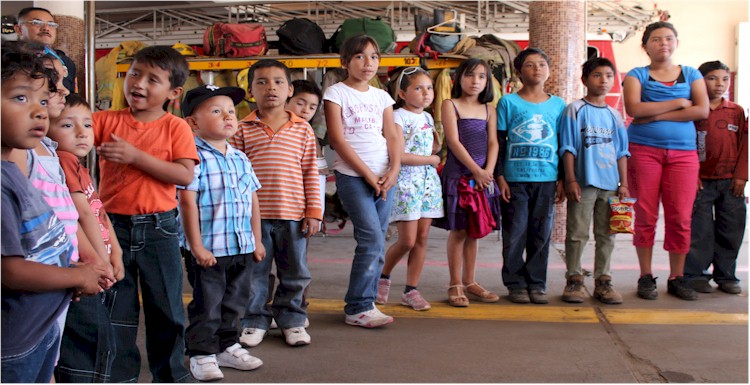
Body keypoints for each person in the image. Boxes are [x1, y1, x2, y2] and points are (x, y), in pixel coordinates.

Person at [92, 45, 199, 382]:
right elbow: (67, 132)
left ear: (174, 92)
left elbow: (184, 175)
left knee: (167, 310)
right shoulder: (106, 120)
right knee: (115, 311)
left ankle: (171, 376)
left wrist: (134, 156)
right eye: (135, 73)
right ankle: (119, 376)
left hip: (159, 229)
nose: (138, 83)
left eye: (154, 79)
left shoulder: (175, 127)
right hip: (112, 229)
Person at [1, 41, 105, 384]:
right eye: (20, 98)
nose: (40, 111)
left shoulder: (20, 165)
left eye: (43, 100)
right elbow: (10, 271)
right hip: (15, 340)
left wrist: (69, 270)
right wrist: (76, 277)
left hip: (40, 322)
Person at [230, 60, 322, 346]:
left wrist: (314, 212)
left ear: (289, 89)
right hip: (253, 217)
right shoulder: (242, 128)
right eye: (262, 82)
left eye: (278, 82)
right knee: (255, 272)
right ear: (250, 91)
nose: (271, 87)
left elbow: (311, 172)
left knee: (295, 271)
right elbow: (235, 175)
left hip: (293, 214)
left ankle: (292, 319)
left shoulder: (303, 129)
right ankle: (254, 319)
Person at [178, 85, 265, 381]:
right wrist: (196, 246)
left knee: (235, 301)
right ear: (193, 123)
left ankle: (227, 345)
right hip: (209, 249)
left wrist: (256, 238)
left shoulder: (240, 157)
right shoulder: (191, 156)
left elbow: (252, 198)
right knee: (208, 304)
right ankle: (201, 353)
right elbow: (186, 202)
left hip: (240, 245)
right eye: (216, 111)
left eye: (231, 110)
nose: (228, 116)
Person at [622, 21, 709, 301]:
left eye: (669, 38)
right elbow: (634, 108)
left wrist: (655, 115)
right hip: (644, 150)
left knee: (680, 218)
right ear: (645, 45)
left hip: (683, 156)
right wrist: (679, 103)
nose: (663, 44)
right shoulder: (637, 75)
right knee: (646, 215)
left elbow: (702, 110)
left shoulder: (692, 74)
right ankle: (645, 276)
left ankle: (677, 277)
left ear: (677, 43)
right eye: (657, 39)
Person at [323, 35, 402, 327]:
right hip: (354, 177)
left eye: (373, 57)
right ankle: (357, 307)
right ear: (345, 62)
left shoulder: (382, 96)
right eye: (359, 56)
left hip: (385, 176)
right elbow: (337, 140)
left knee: (378, 239)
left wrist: (393, 170)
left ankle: (366, 303)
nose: (368, 63)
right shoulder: (336, 93)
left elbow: (392, 135)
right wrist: (369, 175)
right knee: (369, 237)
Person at [47, 94, 124, 382]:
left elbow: (98, 211)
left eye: (87, 124)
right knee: (89, 348)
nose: (82, 132)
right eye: (67, 125)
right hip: (87, 270)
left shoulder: (78, 165)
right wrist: (104, 260)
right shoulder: (63, 161)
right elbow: (83, 214)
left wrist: (114, 251)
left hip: (97, 267)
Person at [495, 47, 566, 305]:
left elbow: (563, 144)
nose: (536, 69)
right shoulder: (508, 102)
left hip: (546, 179)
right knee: (515, 233)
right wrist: (500, 177)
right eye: (530, 65)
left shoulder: (558, 105)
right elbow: (499, 143)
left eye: (541, 65)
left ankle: (537, 283)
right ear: (518, 72)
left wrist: (562, 179)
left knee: (541, 233)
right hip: (515, 180)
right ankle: (515, 283)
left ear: (548, 71)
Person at [558, 57, 629, 305]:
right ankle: (574, 279)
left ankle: (604, 281)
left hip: (610, 186)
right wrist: (570, 180)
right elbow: (567, 147)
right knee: (577, 233)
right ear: (585, 80)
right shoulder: (575, 109)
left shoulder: (615, 116)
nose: (604, 80)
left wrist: (624, 184)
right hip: (584, 183)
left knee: (607, 234)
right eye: (598, 75)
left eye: (609, 76)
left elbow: (622, 152)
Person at [432, 58, 501, 307]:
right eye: (470, 75)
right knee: (459, 230)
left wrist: (488, 172)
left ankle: (470, 281)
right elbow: (453, 141)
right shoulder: (450, 105)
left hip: (483, 178)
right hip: (459, 176)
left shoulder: (489, 109)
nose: (476, 81)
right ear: (459, 78)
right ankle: (455, 283)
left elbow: (493, 143)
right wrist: (476, 171)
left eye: (482, 77)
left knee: (476, 231)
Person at [377, 67, 443, 311]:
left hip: (427, 184)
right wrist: (432, 160)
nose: (426, 93)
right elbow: (400, 156)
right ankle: (382, 276)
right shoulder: (397, 117)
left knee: (422, 239)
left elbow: (431, 148)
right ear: (402, 94)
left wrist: (432, 155)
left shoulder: (426, 117)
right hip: (406, 183)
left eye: (429, 88)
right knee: (407, 240)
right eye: (418, 88)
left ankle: (411, 290)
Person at [684, 61, 747, 295]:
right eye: (712, 78)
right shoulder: (693, 109)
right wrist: (692, 174)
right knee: (699, 230)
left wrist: (741, 176)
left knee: (731, 228)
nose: (720, 84)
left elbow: (744, 146)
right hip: (700, 181)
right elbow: (685, 144)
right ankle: (696, 274)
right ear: (700, 81)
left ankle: (726, 275)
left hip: (731, 182)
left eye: (725, 79)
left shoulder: (736, 111)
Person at [14, 7, 76, 92]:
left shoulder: (65, 61)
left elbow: (71, 97)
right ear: (19, 29)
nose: (46, 28)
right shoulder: (8, 57)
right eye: (37, 23)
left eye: (51, 25)